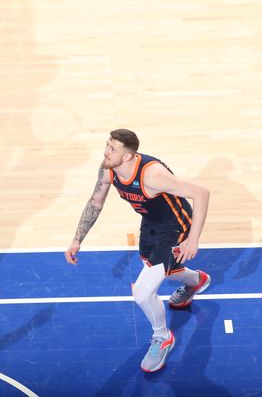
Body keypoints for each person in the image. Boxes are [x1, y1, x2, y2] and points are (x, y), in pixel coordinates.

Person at [65, 129, 211, 372]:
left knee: (142, 294)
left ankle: (163, 337)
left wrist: (193, 239)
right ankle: (196, 280)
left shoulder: (152, 176)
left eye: (113, 149)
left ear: (128, 157)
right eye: (107, 145)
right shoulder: (108, 169)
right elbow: (95, 202)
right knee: (161, 269)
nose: (106, 152)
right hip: (151, 222)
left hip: (176, 226)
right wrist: (77, 239)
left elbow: (201, 193)